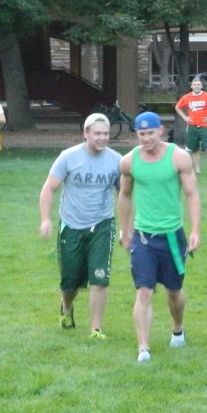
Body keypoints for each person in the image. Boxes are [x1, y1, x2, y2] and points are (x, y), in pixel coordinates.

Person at [118, 111, 201, 363]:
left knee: (174, 291)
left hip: (173, 237)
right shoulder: (128, 162)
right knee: (144, 291)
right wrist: (125, 229)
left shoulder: (178, 157)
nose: (146, 139)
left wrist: (195, 229)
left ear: (160, 131)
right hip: (143, 237)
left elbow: (192, 194)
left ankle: (177, 328)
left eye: (150, 133)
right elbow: (124, 195)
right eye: (141, 134)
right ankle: (143, 348)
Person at [39, 113, 123, 341]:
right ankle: (66, 306)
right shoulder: (68, 157)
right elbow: (49, 188)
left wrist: (126, 226)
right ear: (85, 134)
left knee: (99, 278)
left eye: (106, 134)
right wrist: (46, 219)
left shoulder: (116, 160)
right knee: (71, 282)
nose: (102, 138)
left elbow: (123, 193)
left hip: (103, 224)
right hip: (72, 225)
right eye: (97, 133)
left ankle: (96, 329)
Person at [175, 78, 207, 175]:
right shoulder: (186, 97)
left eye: (198, 84)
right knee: (194, 149)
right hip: (192, 127)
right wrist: (185, 117)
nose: (196, 86)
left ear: (201, 86)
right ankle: (197, 171)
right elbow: (177, 107)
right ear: (191, 86)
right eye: (195, 84)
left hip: (204, 126)